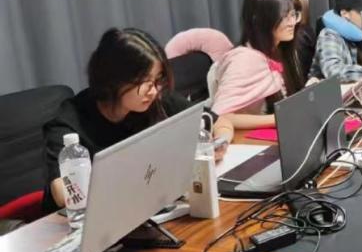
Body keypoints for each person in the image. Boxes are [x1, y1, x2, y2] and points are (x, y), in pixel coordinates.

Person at [41, 28, 233, 214]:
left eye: (158, 80)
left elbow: (220, 122)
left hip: (149, 207)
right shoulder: (69, 122)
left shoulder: (153, 98)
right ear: (115, 80)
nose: (154, 90)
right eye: (145, 82)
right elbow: (60, 192)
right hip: (83, 221)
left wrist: (219, 143)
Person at [211, 0, 306, 129]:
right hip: (247, 139)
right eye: (284, 16)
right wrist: (276, 119)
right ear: (259, 20)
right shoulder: (244, 59)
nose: (292, 23)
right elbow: (220, 116)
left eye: (293, 15)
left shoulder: (279, 50)